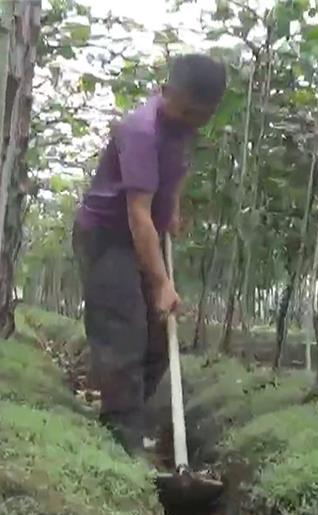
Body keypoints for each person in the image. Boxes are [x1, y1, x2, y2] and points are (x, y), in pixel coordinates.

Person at [72, 54, 227, 455]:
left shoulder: (184, 127)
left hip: (143, 233)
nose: (196, 121)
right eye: (189, 110)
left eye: (203, 115)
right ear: (168, 91)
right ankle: (122, 441)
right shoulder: (140, 130)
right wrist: (161, 283)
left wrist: (172, 208)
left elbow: (173, 174)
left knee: (159, 339)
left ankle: (130, 417)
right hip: (107, 236)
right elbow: (138, 215)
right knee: (123, 331)